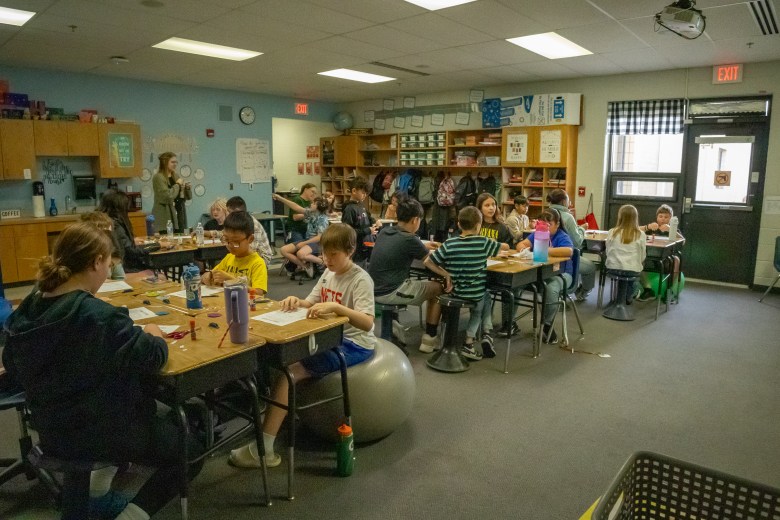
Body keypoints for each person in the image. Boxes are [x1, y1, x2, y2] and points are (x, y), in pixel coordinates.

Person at [2, 222, 203, 520]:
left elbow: (15, 369)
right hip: (102, 430)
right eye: (108, 264)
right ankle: (132, 515)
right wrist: (155, 332)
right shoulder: (97, 317)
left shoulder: (28, 308)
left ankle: (92, 499)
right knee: (192, 447)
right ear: (96, 262)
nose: (108, 272)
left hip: (51, 429)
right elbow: (153, 356)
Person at [228, 224, 376, 468]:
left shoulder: (360, 280)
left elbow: (368, 323)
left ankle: (264, 448)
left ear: (350, 251)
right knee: (278, 360)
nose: (326, 260)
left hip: (353, 343)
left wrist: (338, 308)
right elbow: (310, 302)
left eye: (333, 255)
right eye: (324, 254)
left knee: (290, 372)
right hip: (329, 336)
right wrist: (297, 301)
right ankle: (277, 417)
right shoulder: (329, 273)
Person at [424, 206, 501, 361]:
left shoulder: (449, 244)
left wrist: (446, 274)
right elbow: (500, 249)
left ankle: (486, 333)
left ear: (458, 224)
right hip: (475, 293)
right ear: (479, 226)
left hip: (455, 291)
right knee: (483, 300)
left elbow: (428, 262)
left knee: (484, 297)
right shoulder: (484, 243)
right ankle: (470, 341)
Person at [368, 198, 443, 353]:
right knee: (439, 287)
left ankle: (395, 325)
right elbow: (430, 262)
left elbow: (403, 245)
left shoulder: (385, 231)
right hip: (390, 291)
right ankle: (430, 337)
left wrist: (421, 245)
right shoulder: (410, 239)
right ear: (416, 220)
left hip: (372, 289)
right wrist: (447, 274)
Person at [515, 209, 574, 344]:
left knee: (550, 288)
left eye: (549, 224)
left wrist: (544, 250)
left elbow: (569, 251)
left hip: (562, 274)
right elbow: (521, 244)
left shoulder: (561, 236)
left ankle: (547, 326)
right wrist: (523, 249)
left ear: (557, 224)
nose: (545, 227)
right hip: (539, 274)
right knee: (515, 283)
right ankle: (509, 323)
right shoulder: (538, 234)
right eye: (542, 224)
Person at [546, 189, 597, 302]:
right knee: (591, 267)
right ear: (564, 201)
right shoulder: (568, 217)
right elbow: (577, 242)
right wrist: (582, 229)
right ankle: (582, 292)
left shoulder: (546, 214)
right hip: (564, 258)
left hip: (547, 259)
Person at [202, 211, 267, 295]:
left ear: (250, 239)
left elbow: (258, 293)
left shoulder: (257, 263)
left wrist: (231, 280)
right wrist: (207, 275)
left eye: (236, 242)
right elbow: (213, 274)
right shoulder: (229, 258)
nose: (230, 245)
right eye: (226, 240)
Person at [97, 189, 157, 275]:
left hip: (114, 267)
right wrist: (157, 245)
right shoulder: (116, 224)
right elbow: (130, 251)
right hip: (125, 268)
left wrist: (130, 240)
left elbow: (121, 243)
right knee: (156, 274)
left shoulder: (105, 221)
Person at [273, 193, 330, 278]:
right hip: (308, 240)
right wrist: (280, 198)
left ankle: (322, 262)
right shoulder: (311, 213)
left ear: (318, 207)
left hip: (318, 243)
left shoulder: (323, 219)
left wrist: (304, 243)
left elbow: (320, 237)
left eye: (313, 203)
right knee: (284, 250)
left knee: (301, 254)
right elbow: (296, 207)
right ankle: (306, 266)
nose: (311, 204)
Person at [606, 204, 647, 302]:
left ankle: (622, 298)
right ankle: (631, 294)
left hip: (613, 268)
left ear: (620, 217)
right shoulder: (641, 234)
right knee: (634, 269)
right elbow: (642, 256)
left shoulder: (612, 232)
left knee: (623, 272)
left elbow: (608, 251)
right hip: (632, 270)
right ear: (635, 218)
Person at [225, 196, 274, 268]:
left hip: (262, 256)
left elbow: (251, 248)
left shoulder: (252, 224)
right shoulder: (238, 223)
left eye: (229, 212)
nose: (227, 215)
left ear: (237, 211)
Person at [341, 177, 379, 266]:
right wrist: (367, 230)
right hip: (355, 249)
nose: (365, 195)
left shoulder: (361, 205)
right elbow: (347, 231)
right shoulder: (349, 209)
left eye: (366, 193)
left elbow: (368, 218)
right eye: (363, 193)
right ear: (354, 191)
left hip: (364, 247)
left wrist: (374, 223)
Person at [80, 211, 126, 280]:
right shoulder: (80, 255)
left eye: (109, 233)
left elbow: (120, 278)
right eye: (102, 233)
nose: (107, 237)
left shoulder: (112, 253)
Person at [151, 152, 184, 234]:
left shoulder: (175, 176)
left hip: (178, 214)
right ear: (164, 162)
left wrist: (186, 189)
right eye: (172, 162)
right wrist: (178, 184)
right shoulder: (158, 177)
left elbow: (183, 197)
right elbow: (167, 196)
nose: (175, 164)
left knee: (180, 240)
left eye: (176, 162)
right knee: (167, 241)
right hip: (164, 216)